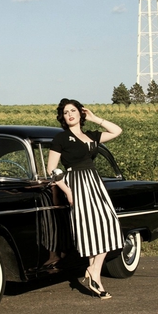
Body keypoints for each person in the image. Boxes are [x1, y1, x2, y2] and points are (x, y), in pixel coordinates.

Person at [46, 98, 124, 300]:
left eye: (73, 110)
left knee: (109, 223)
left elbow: (117, 131)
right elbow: (51, 169)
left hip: (94, 182)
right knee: (90, 229)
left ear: (81, 113)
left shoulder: (91, 135)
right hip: (76, 183)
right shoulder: (61, 138)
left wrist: (96, 118)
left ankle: (93, 271)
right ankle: (95, 278)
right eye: (65, 112)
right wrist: (68, 191)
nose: (70, 114)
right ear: (62, 117)